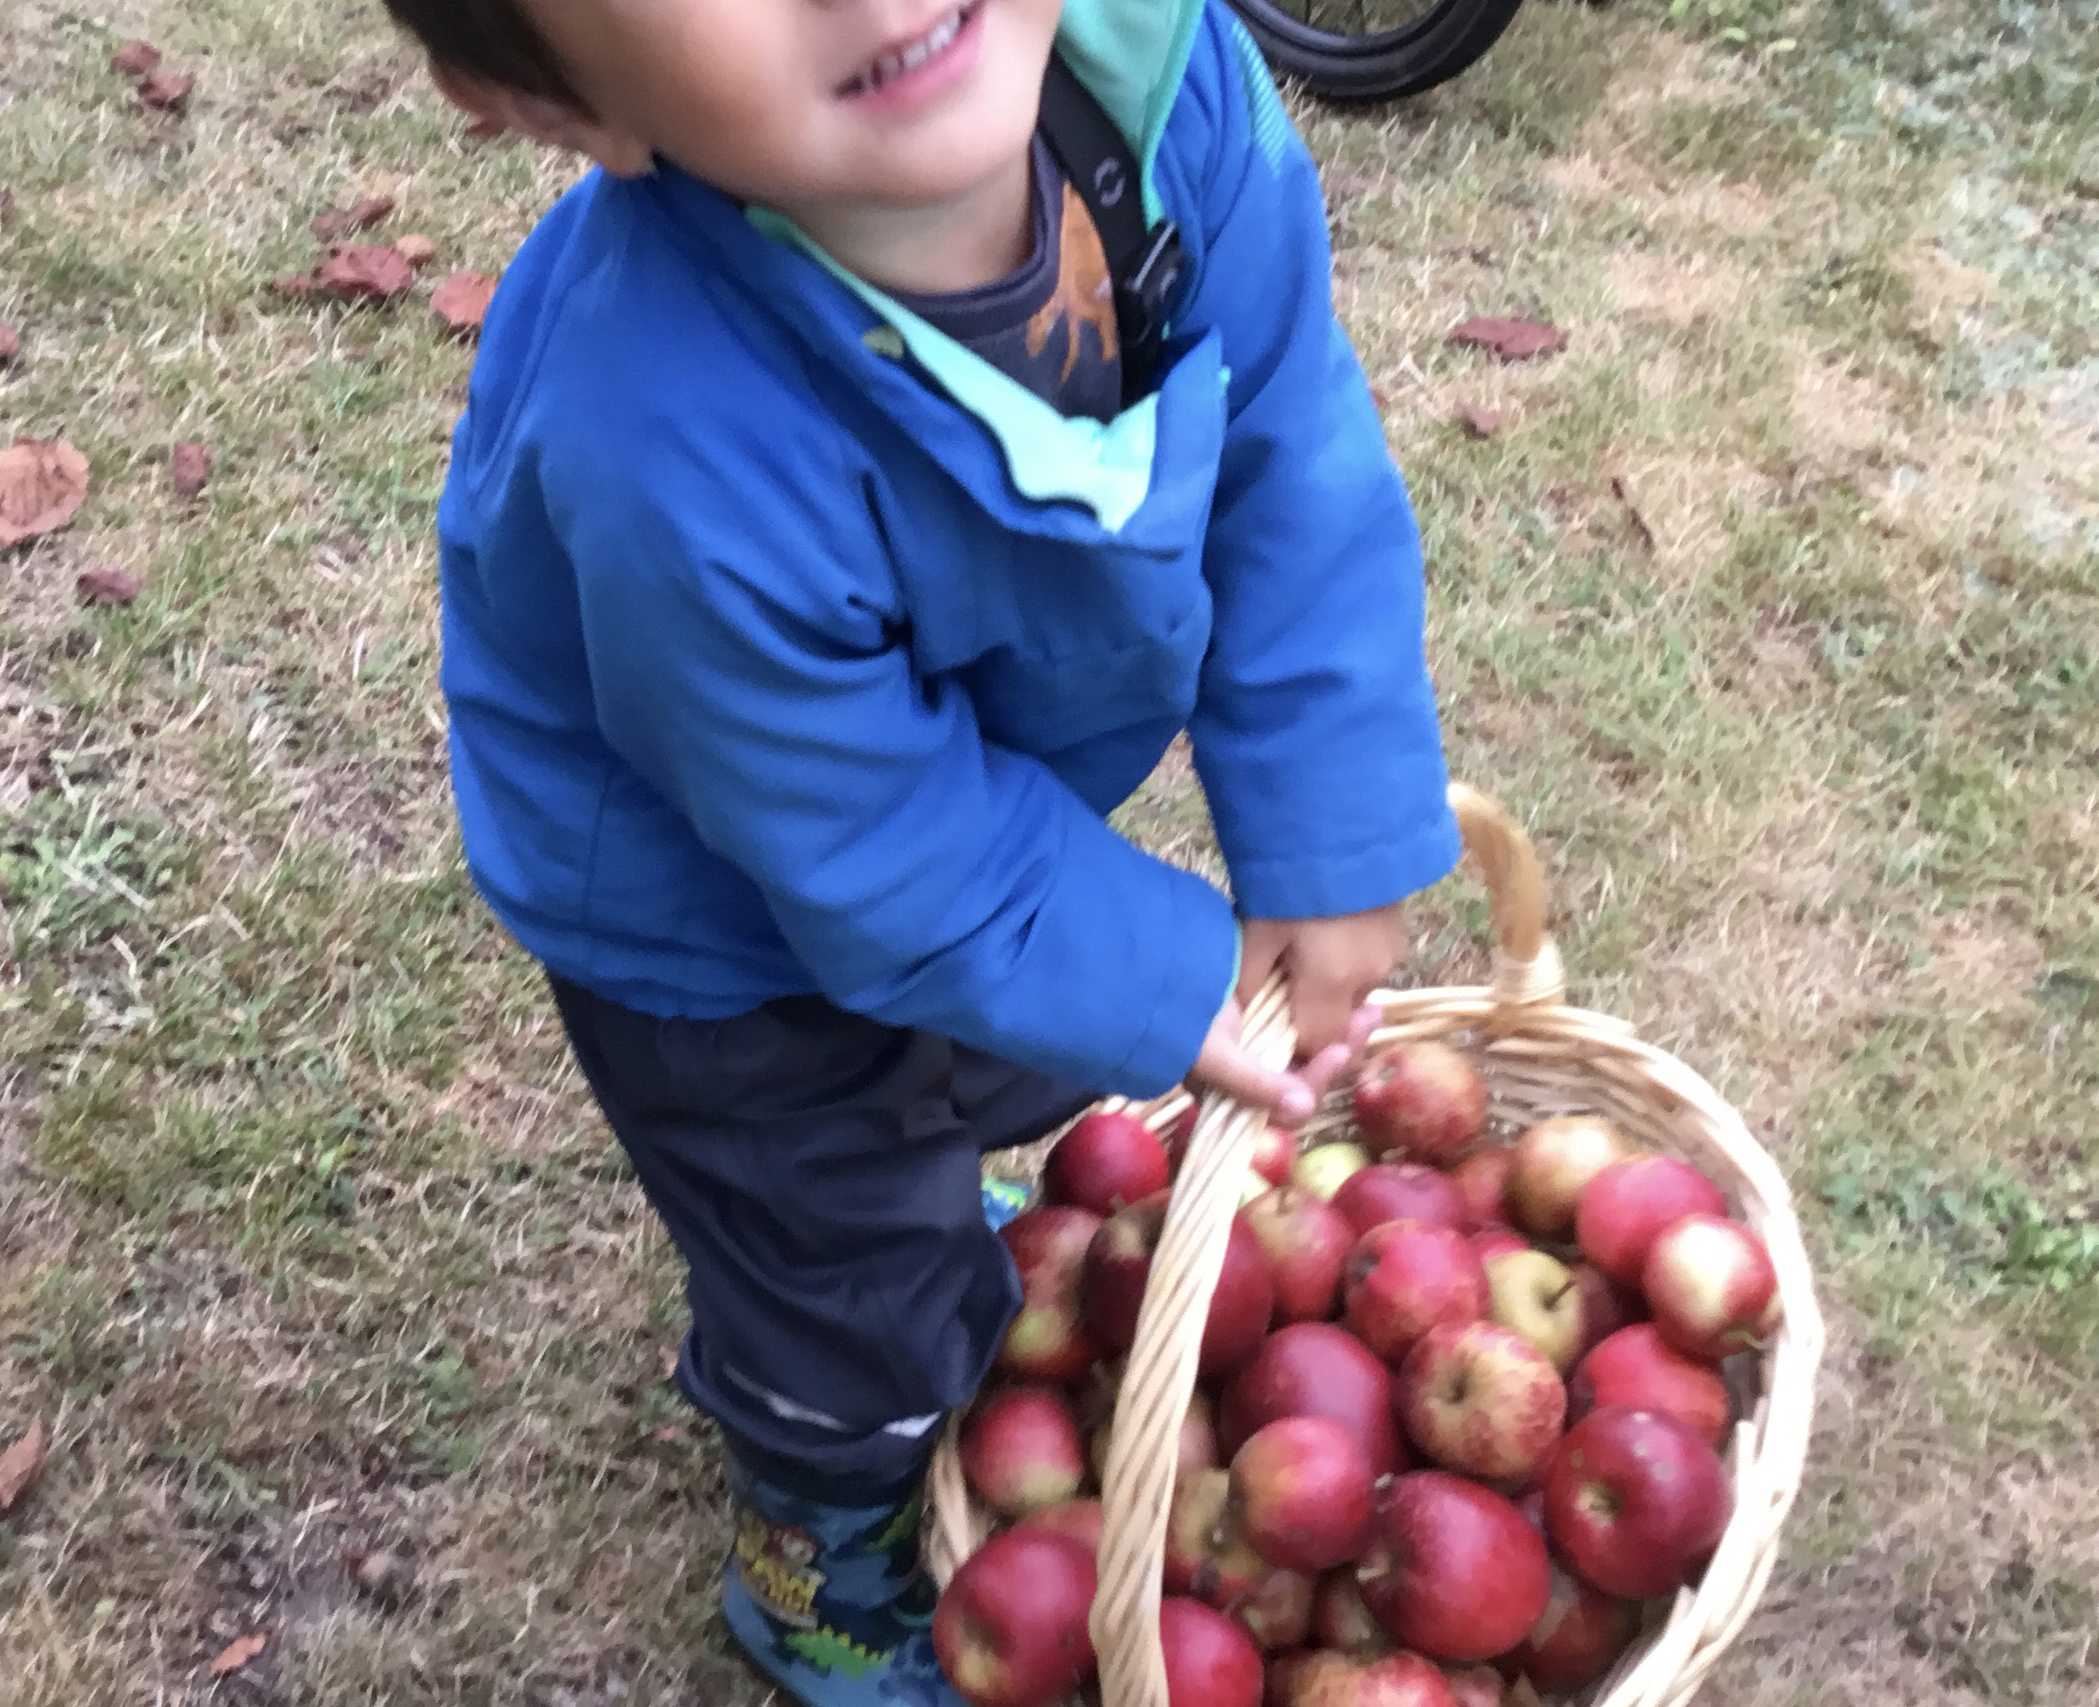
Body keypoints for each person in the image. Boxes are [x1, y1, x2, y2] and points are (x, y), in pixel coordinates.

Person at [378, 0, 1461, 1700]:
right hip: (710, 932)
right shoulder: (671, 436)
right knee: (846, 1267)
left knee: (976, 1066)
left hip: (942, 814)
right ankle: (816, 1552)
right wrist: (1185, 977)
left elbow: (1289, 452)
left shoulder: (1155, 92)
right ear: (545, 96)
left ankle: (922, 1200)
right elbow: (881, 849)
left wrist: (1330, 823)